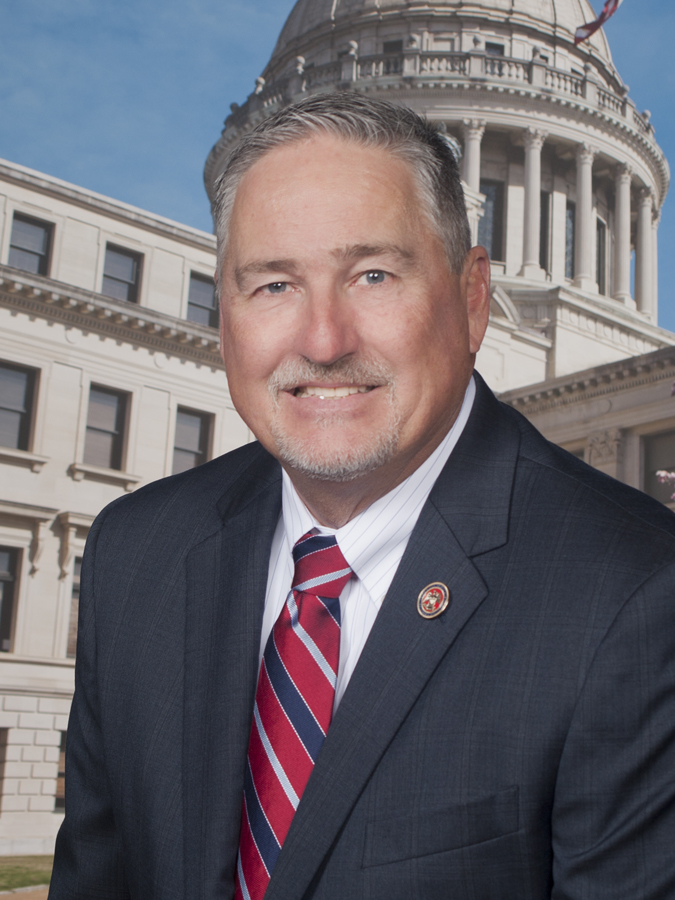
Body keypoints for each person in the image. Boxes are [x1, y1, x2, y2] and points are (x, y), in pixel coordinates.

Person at [49, 93, 675, 900]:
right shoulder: (135, 553)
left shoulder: (635, 594)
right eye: (273, 284)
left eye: (373, 275)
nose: (322, 341)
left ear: (472, 296)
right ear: (224, 313)